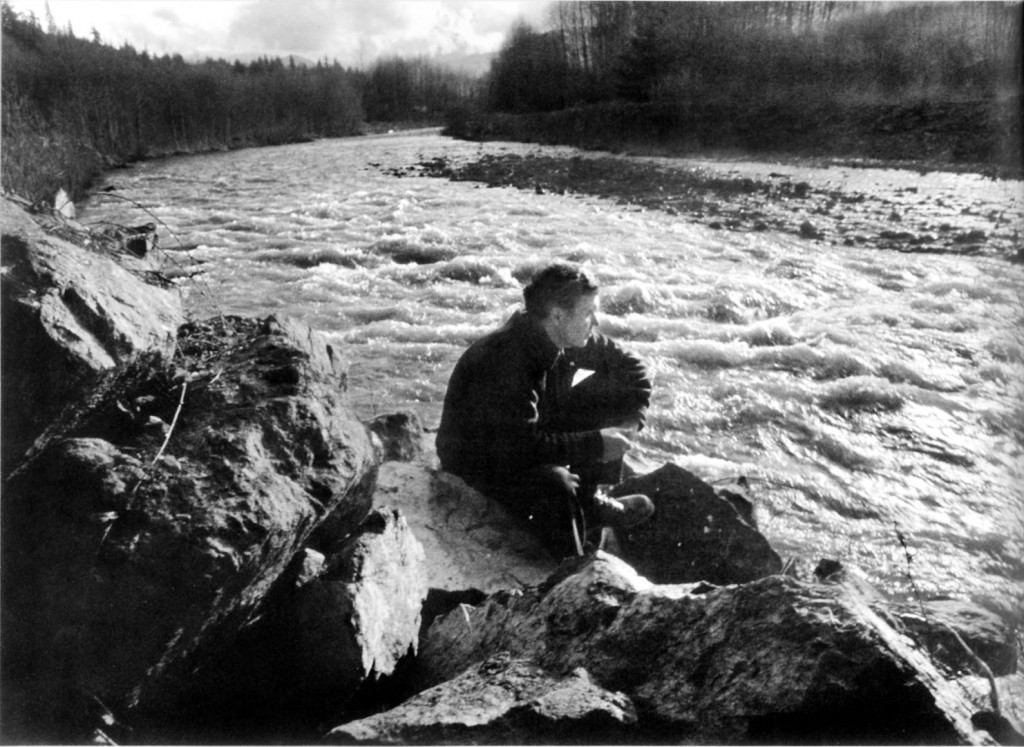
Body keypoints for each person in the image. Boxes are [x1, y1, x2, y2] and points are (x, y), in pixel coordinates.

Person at [436, 262, 654, 555]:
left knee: (600, 391)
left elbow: (632, 369)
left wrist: (629, 424)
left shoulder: (558, 334)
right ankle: (570, 569)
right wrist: (596, 444)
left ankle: (588, 504)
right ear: (557, 315)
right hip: (478, 464)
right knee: (556, 484)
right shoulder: (507, 360)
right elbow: (521, 446)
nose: (597, 321)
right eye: (588, 312)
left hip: (517, 444)